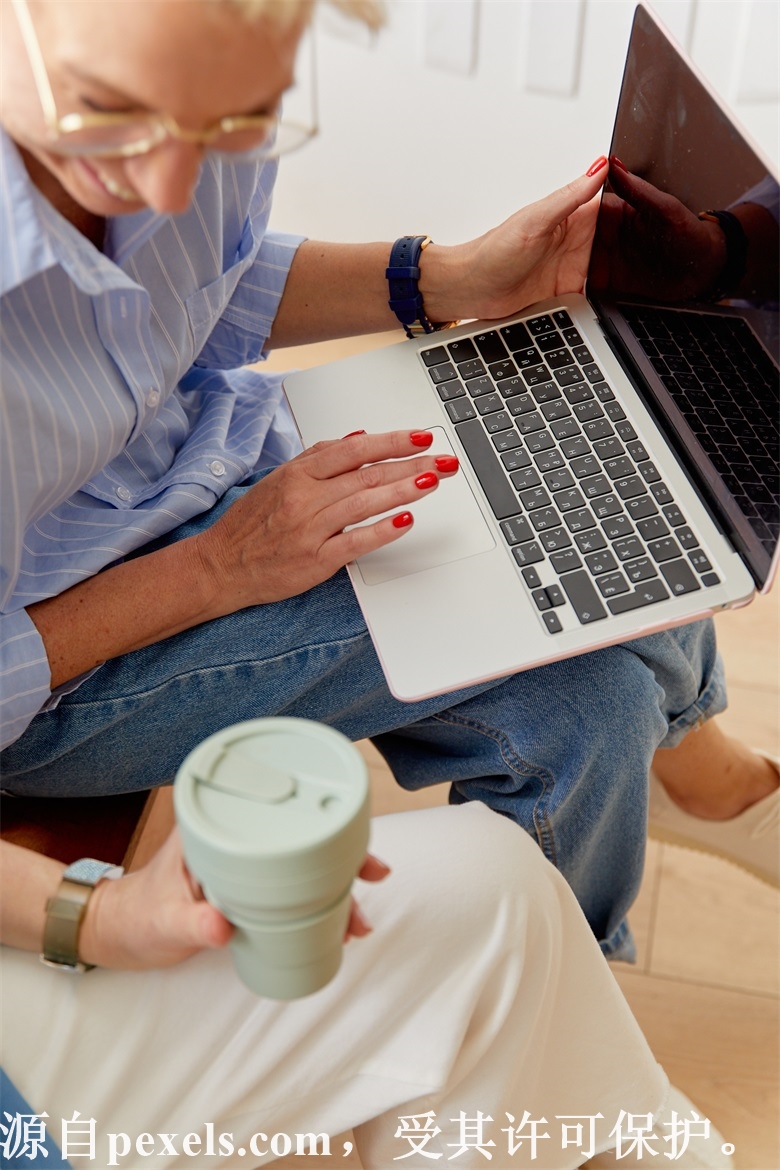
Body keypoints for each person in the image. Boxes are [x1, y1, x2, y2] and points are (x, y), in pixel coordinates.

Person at [0, 0, 774, 1159]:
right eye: (107, 115)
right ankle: (685, 827)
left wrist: (446, 278)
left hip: (206, 461)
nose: (169, 183)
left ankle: (544, 1049)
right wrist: (217, 569)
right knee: (590, 656)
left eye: (233, 122)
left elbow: (200, 287)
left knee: (592, 571)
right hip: (63, 660)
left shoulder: (195, 79)